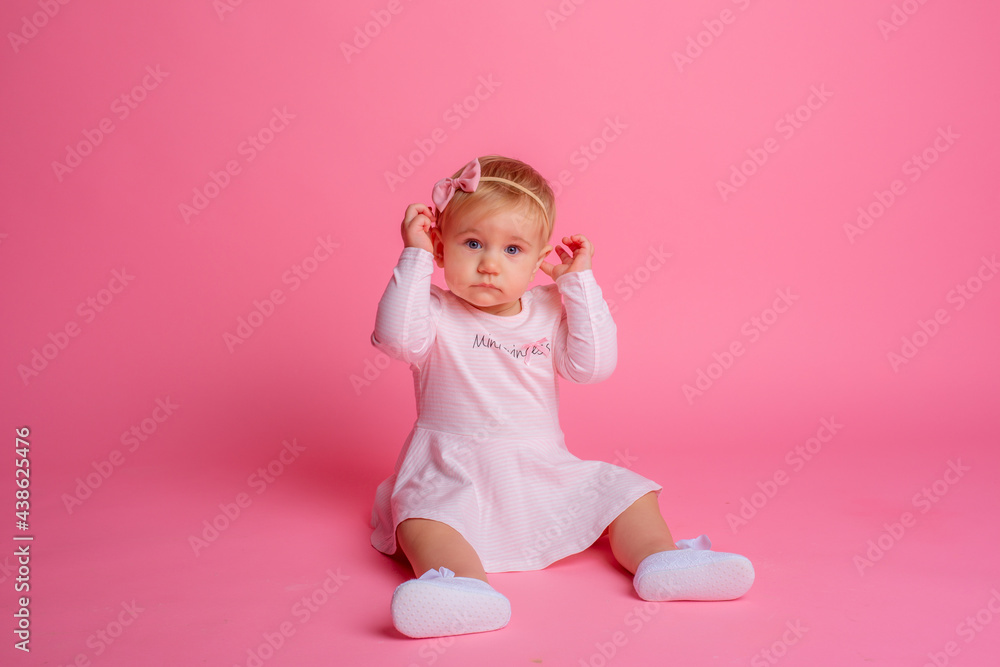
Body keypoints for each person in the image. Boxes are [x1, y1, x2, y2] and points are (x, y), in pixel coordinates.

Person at [369, 155, 754, 639]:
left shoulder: (548, 309)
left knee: (628, 494)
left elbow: (591, 368)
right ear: (442, 249)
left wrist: (578, 283)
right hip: (453, 468)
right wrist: (414, 255)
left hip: (541, 468)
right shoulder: (431, 311)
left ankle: (662, 559)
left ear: (538, 261)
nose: (490, 264)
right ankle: (463, 590)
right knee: (424, 523)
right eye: (472, 244)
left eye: (513, 249)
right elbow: (394, 339)